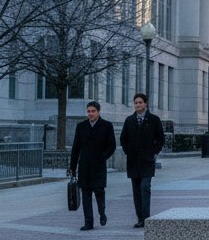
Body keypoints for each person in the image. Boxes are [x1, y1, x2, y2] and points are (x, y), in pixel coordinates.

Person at [69, 100, 117, 231]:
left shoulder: (106, 125)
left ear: (98, 112)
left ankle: (102, 213)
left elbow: (112, 145)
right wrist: (72, 168)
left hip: (99, 166)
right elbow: (75, 148)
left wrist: (103, 157)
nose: (90, 113)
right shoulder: (81, 126)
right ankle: (88, 222)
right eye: (89, 111)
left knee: (99, 192)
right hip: (84, 166)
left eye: (93, 111)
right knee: (86, 195)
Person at [120, 93, 165, 228]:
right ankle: (140, 218)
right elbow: (123, 139)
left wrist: (154, 152)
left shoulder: (154, 120)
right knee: (136, 190)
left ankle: (146, 217)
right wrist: (128, 151)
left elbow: (160, 138)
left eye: (140, 102)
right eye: (136, 103)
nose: (138, 105)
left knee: (145, 187)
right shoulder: (129, 120)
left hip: (147, 160)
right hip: (133, 161)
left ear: (145, 104)